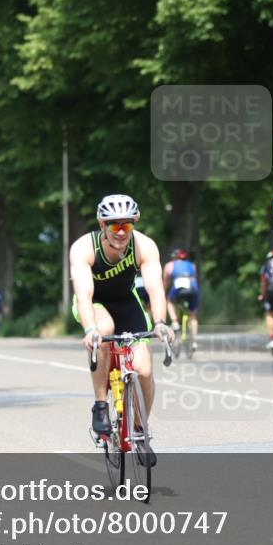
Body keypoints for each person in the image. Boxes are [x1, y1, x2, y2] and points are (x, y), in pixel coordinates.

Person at [69, 194, 174, 466]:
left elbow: (154, 288)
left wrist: (161, 322)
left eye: (126, 226)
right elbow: (83, 293)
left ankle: (140, 431)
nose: (120, 232)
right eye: (114, 226)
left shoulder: (144, 246)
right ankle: (101, 405)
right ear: (102, 225)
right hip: (95, 304)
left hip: (127, 302)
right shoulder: (84, 248)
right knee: (104, 330)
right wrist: (90, 328)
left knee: (145, 370)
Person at [163, 248, 200, 350]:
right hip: (193, 288)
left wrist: (163, 293)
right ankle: (194, 342)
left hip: (178, 289)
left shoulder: (169, 265)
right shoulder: (192, 265)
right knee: (193, 316)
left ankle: (174, 321)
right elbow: (194, 277)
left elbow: (165, 283)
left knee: (169, 301)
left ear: (174, 257)